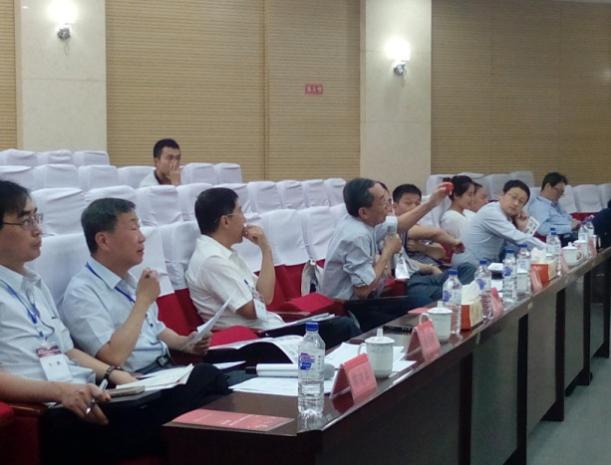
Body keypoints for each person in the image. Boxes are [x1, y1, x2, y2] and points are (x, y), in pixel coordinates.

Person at [0, 181, 227, 465]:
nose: (37, 229)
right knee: (206, 389)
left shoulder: (35, 285)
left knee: (209, 396)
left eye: (37, 218)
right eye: (25, 221)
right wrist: (61, 391)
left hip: (93, 396)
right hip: (55, 412)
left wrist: (115, 375)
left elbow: (67, 350)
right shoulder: (79, 290)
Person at [60, 198, 222, 374]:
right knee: (209, 376)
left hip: (167, 368)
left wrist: (186, 343)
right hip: (137, 379)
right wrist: (142, 301)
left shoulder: (128, 279)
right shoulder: (81, 293)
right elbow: (113, 357)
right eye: (133, 228)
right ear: (103, 241)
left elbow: (156, 330)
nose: (142, 238)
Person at [186, 187, 359, 347]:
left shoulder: (226, 253)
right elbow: (252, 311)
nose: (244, 219)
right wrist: (259, 296)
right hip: (255, 339)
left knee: (340, 325)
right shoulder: (212, 260)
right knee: (343, 327)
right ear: (225, 221)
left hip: (270, 328)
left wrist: (265, 248)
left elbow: (266, 296)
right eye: (240, 211)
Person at [320, 178, 450, 331]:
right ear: (364, 212)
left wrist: (431, 203)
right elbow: (363, 290)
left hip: (365, 300)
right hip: (347, 308)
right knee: (417, 312)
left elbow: (400, 224)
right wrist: (388, 251)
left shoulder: (361, 220)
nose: (388, 206)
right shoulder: (356, 236)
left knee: (420, 303)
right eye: (383, 202)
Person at [453, 180, 546, 267]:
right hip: (469, 265)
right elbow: (517, 237)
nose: (516, 203)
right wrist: (548, 248)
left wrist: (522, 228)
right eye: (513, 197)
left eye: (521, 202)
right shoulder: (491, 212)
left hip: (483, 264)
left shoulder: (506, 217)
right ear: (501, 195)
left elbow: (514, 245)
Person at [528, 172, 580, 241]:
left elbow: (567, 217)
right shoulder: (538, 206)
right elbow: (542, 229)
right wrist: (569, 227)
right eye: (558, 191)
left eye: (562, 192)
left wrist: (574, 222)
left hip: (571, 234)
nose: (560, 195)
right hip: (558, 239)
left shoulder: (555, 204)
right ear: (548, 186)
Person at [439, 175, 475, 239]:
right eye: (469, 195)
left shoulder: (468, 213)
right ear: (456, 195)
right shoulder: (450, 218)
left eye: (473, 194)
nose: (472, 199)